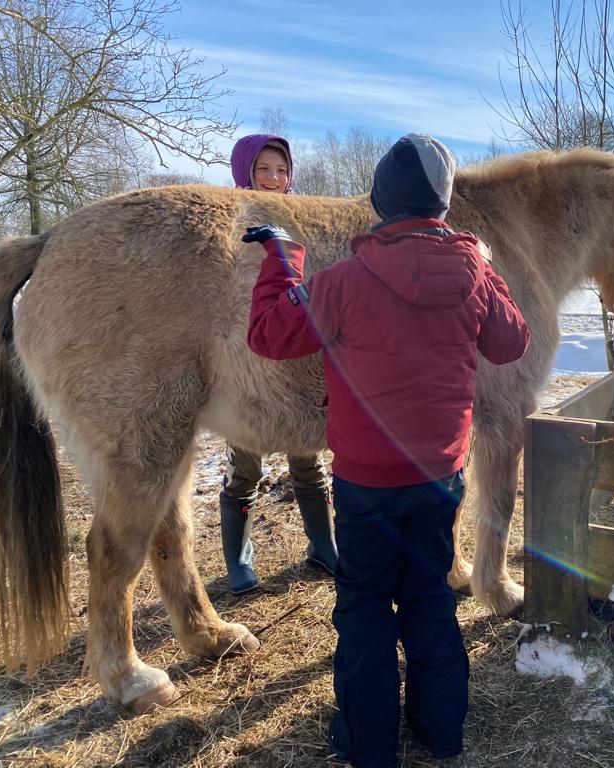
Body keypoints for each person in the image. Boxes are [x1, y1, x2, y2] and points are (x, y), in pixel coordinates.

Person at [245, 133, 530, 767]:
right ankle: (441, 731)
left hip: (364, 482)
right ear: (444, 207)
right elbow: (511, 343)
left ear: (379, 202)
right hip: (439, 476)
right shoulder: (477, 275)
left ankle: (369, 745)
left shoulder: (343, 281)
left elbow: (270, 336)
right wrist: (489, 268)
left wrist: (283, 262)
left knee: (366, 605)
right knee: (430, 594)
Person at [220, 133, 338, 595]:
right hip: (242, 364)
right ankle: (239, 561)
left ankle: (323, 545)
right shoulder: (226, 221)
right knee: (245, 464)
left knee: (308, 462)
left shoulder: (299, 219)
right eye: (263, 170)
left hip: (295, 355)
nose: (273, 179)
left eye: (281, 170)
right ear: (244, 171)